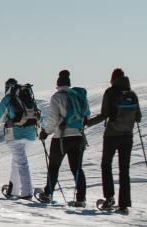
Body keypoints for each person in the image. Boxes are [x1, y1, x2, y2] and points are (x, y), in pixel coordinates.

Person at [86, 69, 142, 214]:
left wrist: (88, 123)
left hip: (112, 135)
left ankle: (109, 198)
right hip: (127, 137)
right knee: (124, 170)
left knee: (106, 165)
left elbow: (105, 114)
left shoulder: (110, 92)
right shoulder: (132, 95)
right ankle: (124, 205)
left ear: (113, 79)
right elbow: (139, 117)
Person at [36, 70, 88, 206]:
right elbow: (86, 115)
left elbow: (53, 119)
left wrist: (45, 132)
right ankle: (81, 198)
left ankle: (47, 194)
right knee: (77, 168)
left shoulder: (57, 97)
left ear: (57, 85)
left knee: (53, 167)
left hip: (61, 138)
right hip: (78, 136)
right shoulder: (78, 96)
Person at [0, 78, 40, 200]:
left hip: (15, 136)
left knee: (21, 163)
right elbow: (38, 117)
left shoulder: (8, 99)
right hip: (31, 135)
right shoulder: (28, 97)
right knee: (16, 162)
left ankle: (26, 193)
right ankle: (13, 191)